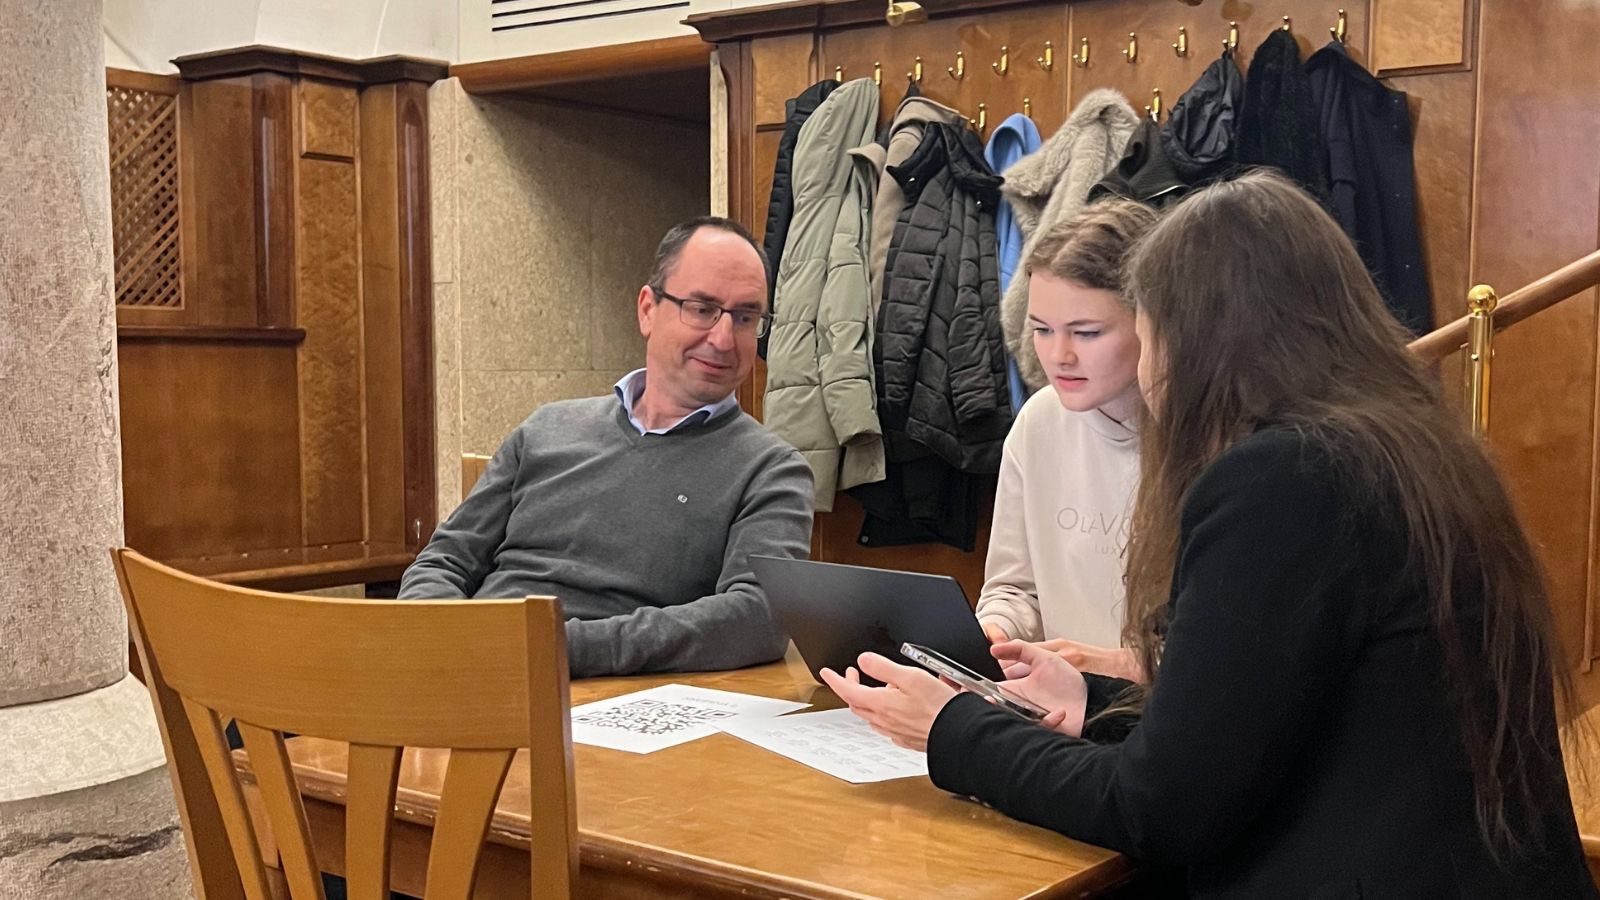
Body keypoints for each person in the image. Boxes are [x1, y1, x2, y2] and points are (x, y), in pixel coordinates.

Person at [822, 172, 1597, 898]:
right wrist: (1091, 698)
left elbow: (1161, 808)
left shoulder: (1282, 477)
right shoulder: (1416, 447)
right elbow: (1271, 715)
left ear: (1199, 340)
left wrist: (953, 729)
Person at [400, 217, 814, 679]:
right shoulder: (546, 429)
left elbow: (758, 618)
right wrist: (445, 640)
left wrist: (549, 648)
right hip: (463, 674)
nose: (722, 339)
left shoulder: (771, 470)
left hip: (599, 695)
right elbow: (444, 561)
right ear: (647, 310)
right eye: (702, 309)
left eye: (745, 317)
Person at [975, 200, 1155, 683]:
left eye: (1087, 333)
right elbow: (1015, 590)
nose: (1059, 355)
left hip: (1164, 712)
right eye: (1041, 330)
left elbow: (1229, 652)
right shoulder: (1039, 420)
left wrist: (1111, 666)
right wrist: (995, 633)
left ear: (1151, 323)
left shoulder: (1213, 440)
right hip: (1057, 705)